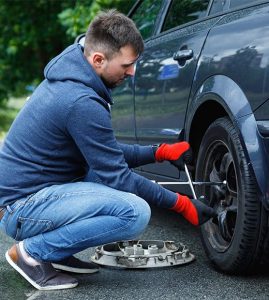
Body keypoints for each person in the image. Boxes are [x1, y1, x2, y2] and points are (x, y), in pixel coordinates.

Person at [0, 10, 215, 291]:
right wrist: (181, 204)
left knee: (99, 175)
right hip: (22, 208)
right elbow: (120, 177)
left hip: (35, 195)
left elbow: (107, 153)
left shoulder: (75, 76)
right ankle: (31, 254)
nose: (132, 72)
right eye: (127, 64)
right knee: (134, 212)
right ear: (98, 60)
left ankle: (59, 253)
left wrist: (160, 152)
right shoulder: (80, 101)